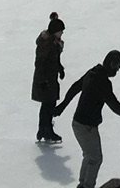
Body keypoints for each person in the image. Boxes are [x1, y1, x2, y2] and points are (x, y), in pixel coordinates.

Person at [54, 48, 120, 188]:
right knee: (95, 158)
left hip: (78, 123)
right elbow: (115, 106)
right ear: (111, 64)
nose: (118, 70)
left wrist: (62, 106)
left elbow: (75, 87)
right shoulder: (102, 82)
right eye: (118, 66)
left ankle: (83, 185)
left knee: (89, 155)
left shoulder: (93, 72)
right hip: (87, 126)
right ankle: (87, 185)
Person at [33, 11, 67, 142]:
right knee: (48, 104)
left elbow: (54, 60)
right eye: (61, 31)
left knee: (48, 104)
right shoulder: (48, 45)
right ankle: (46, 130)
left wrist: (60, 69)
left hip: (49, 78)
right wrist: (43, 80)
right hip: (46, 79)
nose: (62, 33)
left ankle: (43, 129)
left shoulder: (52, 42)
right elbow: (40, 62)